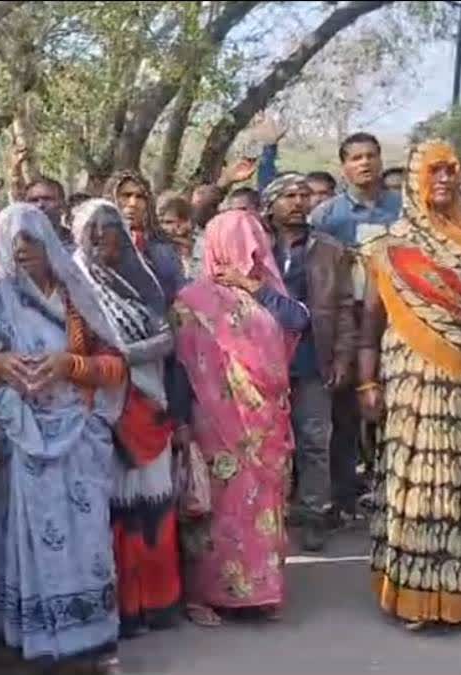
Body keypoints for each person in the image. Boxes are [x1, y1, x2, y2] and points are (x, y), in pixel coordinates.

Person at [0, 203, 124, 673]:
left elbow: (117, 364)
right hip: (20, 440)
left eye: (32, 239)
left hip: (80, 434)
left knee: (87, 539)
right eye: (13, 239)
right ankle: (37, 638)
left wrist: (70, 366)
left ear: (49, 244)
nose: (22, 248)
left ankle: (91, 638)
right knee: (31, 539)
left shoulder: (77, 296)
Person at [358, 140, 461, 631]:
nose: (445, 180)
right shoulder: (388, 247)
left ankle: (458, 598)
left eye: (452, 171)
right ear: (414, 181)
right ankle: (411, 599)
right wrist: (367, 382)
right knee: (414, 485)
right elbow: (370, 318)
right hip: (410, 382)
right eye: (434, 171)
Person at [172, 209, 308, 626]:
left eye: (255, 247)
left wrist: (255, 288)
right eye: (242, 247)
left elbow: (299, 320)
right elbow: (180, 368)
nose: (249, 256)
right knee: (216, 510)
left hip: (265, 426)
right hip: (215, 425)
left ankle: (260, 590)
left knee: (262, 506)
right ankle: (207, 596)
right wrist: (180, 423)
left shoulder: (268, 293)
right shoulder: (193, 300)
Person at [71, 199, 180, 636]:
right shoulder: (73, 285)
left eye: (110, 227)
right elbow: (76, 351)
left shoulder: (141, 280)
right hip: (99, 412)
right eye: (92, 230)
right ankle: (122, 611)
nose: (101, 237)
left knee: (153, 505)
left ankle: (158, 602)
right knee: (111, 511)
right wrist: (109, 363)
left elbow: (168, 337)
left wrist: (122, 356)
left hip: (149, 405)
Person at [310, 131, 403, 519]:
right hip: (349, 323)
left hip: (398, 322)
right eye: (356, 157)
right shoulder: (328, 216)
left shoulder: (403, 209)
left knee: (398, 410)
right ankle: (343, 501)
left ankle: (396, 495)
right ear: (344, 166)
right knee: (345, 415)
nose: (365, 163)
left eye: (371, 155)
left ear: (381, 160)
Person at [262, 174, 356, 552]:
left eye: (304, 195)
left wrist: (343, 356)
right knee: (265, 442)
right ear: (271, 204)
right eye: (289, 195)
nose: (299, 202)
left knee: (315, 440)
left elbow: (346, 308)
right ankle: (269, 516)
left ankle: (315, 513)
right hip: (264, 361)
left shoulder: (329, 249)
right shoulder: (257, 246)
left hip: (312, 359)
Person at [105, 171, 154, 251]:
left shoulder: (163, 249)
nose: (133, 203)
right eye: (126, 195)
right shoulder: (95, 243)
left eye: (139, 197)